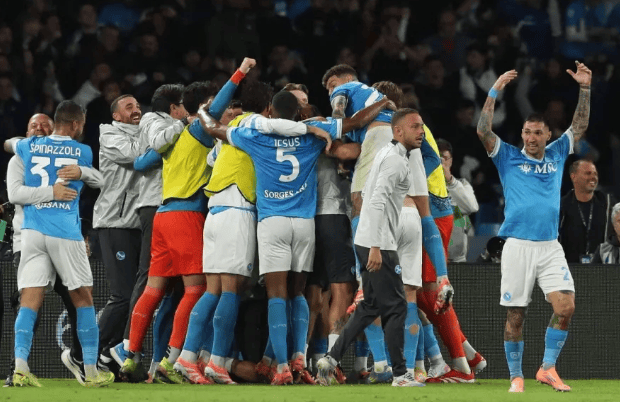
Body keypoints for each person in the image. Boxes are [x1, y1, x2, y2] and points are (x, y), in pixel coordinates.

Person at [197, 90, 339, 385]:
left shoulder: (255, 137)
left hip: (272, 221)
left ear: (270, 112)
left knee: (275, 294)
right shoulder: (312, 137)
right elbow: (349, 126)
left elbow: (213, 129)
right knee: (298, 293)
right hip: (305, 222)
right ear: (298, 114)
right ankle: (299, 357)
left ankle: (282, 366)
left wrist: (201, 111)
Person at [476, 61, 591, 393]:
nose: (531, 138)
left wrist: (585, 88)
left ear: (547, 135)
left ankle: (547, 368)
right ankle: (516, 375)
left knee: (566, 307)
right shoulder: (508, 156)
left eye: (537, 132)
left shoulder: (557, 153)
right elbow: (483, 131)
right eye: (527, 132)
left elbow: (579, 126)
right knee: (516, 315)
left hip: (550, 246)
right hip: (517, 245)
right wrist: (494, 90)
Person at [316, 108, 427, 388]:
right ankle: (401, 375)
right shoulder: (395, 161)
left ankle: (330, 359)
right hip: (379, 242)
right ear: (398, 131)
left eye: (422, 126)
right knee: (397, 306)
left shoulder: (387, 154)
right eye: (414, 127)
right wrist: (376, 246)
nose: (421, 132)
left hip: (369, 238)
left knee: (370, 306)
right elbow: (376, 201)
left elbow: (368, 193)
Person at [7, 100, 113, 387]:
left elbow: (9, 144)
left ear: (55, 122)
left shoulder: (28, 147)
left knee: (30, 299)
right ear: (76, 124)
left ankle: (20, 368)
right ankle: (91, 371)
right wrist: (76, 176)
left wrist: (14, 142)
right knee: (83, 298)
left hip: (31, 232)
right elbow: (102, 182)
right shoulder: (82, 151)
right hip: (65, 231)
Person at [3, 113, 85, 386]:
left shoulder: (66, 162)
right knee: (28, 304)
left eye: (45, 126)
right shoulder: (18, 160)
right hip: (28, 241)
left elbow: (73, 201)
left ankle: (80, 359)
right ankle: (18, 368)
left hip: (63, 239)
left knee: (78, 300)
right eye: (33, 126)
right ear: (26, 134)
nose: (39, 129)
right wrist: (52, 191)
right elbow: (14, 196)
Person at [93, 94, 143, 366]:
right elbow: (134, 155)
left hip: (137, 224)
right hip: (114, 222)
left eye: (137, 106)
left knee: (136, 295)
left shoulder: (144, 133)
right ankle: (84, 352)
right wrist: (160, 136)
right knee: (123, 295)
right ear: (116, 116)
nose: (136, 110)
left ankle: (107, 354)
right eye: (129, 107)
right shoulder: (110, 135)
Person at [559, 159, 616, 263]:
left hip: (602, 268)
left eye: (595, 174)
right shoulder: (561, 206)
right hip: (568, 267)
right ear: (573, 177)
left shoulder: (608, 204)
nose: (593, 177)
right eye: (588, 173)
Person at [436, 138, 479, 263]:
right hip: (430, 258)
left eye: (444, 158)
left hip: (457, 260)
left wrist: (450, 181)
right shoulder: (421, 186)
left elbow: (472, 207)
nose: (441, 162)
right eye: (437, 158)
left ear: (451, 161)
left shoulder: (462, 184)